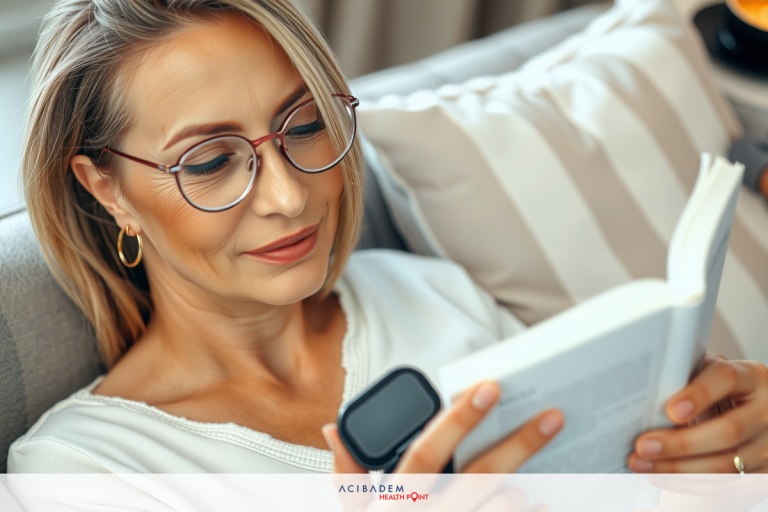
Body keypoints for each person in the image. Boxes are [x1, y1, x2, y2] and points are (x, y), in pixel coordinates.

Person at [7, 0, 768, 480]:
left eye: (304, 126)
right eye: (209, 161)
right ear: (105, 187)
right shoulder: (82, 471)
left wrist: (725, 454)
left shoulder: (428, 292)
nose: (289, 194)